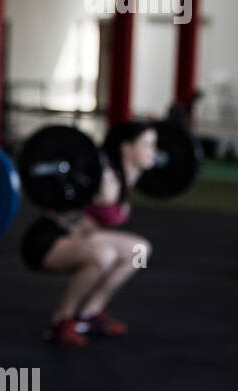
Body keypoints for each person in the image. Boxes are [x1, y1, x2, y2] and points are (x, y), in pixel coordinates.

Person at [19, 121, 157, 346]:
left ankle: (90, 314)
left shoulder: (125, 179)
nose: (155, 152)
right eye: (149, 145)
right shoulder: (104, 179)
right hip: (47, 242)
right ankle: (60, 322)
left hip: (81, 241)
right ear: (127, 148)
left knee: (140, 251)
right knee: (103, 255)